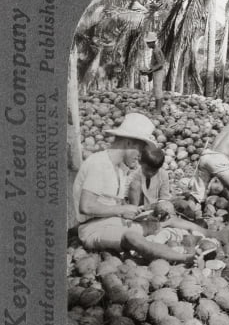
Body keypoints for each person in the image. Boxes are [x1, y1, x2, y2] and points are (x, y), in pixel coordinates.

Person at [73, 113, 194, 264]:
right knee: (131, 237)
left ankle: (200, 237)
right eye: (140, 149)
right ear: (129, 143)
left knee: (154, 225)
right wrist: (122, 210)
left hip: (112, 221)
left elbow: (112, 206)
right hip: (92, 229)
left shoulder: (119, 170)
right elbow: (87, 206)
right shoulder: (99, 164)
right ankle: (185, 258)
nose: (140, 156)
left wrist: (142, 210)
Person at [139, 32, 167, 113]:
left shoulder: (156, 51)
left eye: (148, 43)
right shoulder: (155, 49)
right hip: (157, 72)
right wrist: (150, 71)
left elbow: (160, 63)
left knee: (158, 90)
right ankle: (157, 108)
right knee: (156, 90)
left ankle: (158, 110)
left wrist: (150, 70)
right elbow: (161, 61)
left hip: (158, 72)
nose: (147, 44)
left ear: (152, 42)